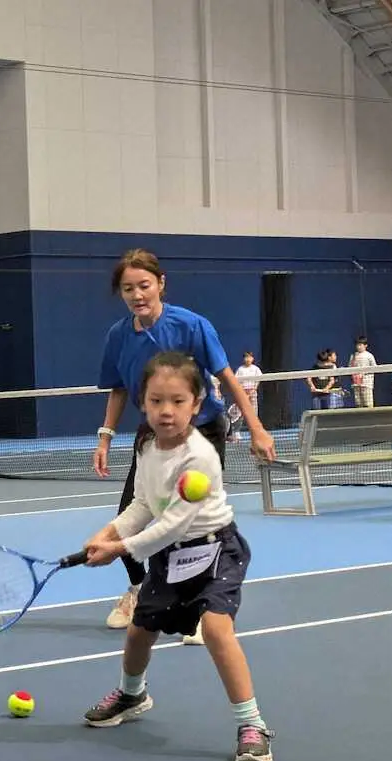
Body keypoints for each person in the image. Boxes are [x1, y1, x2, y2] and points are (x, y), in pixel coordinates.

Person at [82, 351, 273, 761]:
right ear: (142, 402)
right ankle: (132, 694)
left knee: (217, 630)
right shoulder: (146, 445)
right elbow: (142, 505)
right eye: (156, 401)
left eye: (177, 401)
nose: (166, 410)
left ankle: (252, 725)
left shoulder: (199, 456)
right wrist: (108, 532)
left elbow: (171, 524)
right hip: (172, 559)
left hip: (217, 551)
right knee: (139, 632)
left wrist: (119, 549)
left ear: (196, 404)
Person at [93, 249, 275, 634]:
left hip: (203, 430)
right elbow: (118, 389)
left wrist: (256, 428)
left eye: (144, 285)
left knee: (193, 523)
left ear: (161, 284)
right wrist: (105, 437)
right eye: (128, 288)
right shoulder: (118, 337)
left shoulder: (191, 325)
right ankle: (139, 590)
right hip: (153, 433)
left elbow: (227, 378)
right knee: (128, 513)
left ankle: (206, 606)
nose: (137, 295)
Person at [348, 336, 377, 407]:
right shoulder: (353, 356)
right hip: (356, 385)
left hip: (366, 384)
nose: (358, 347)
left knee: (368, 404)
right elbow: (350, 368)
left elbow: (375, 368)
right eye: (357, 345)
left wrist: (364, 374)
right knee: (358, 404)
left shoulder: (369, 355)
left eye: (360, 345)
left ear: (365, 345)